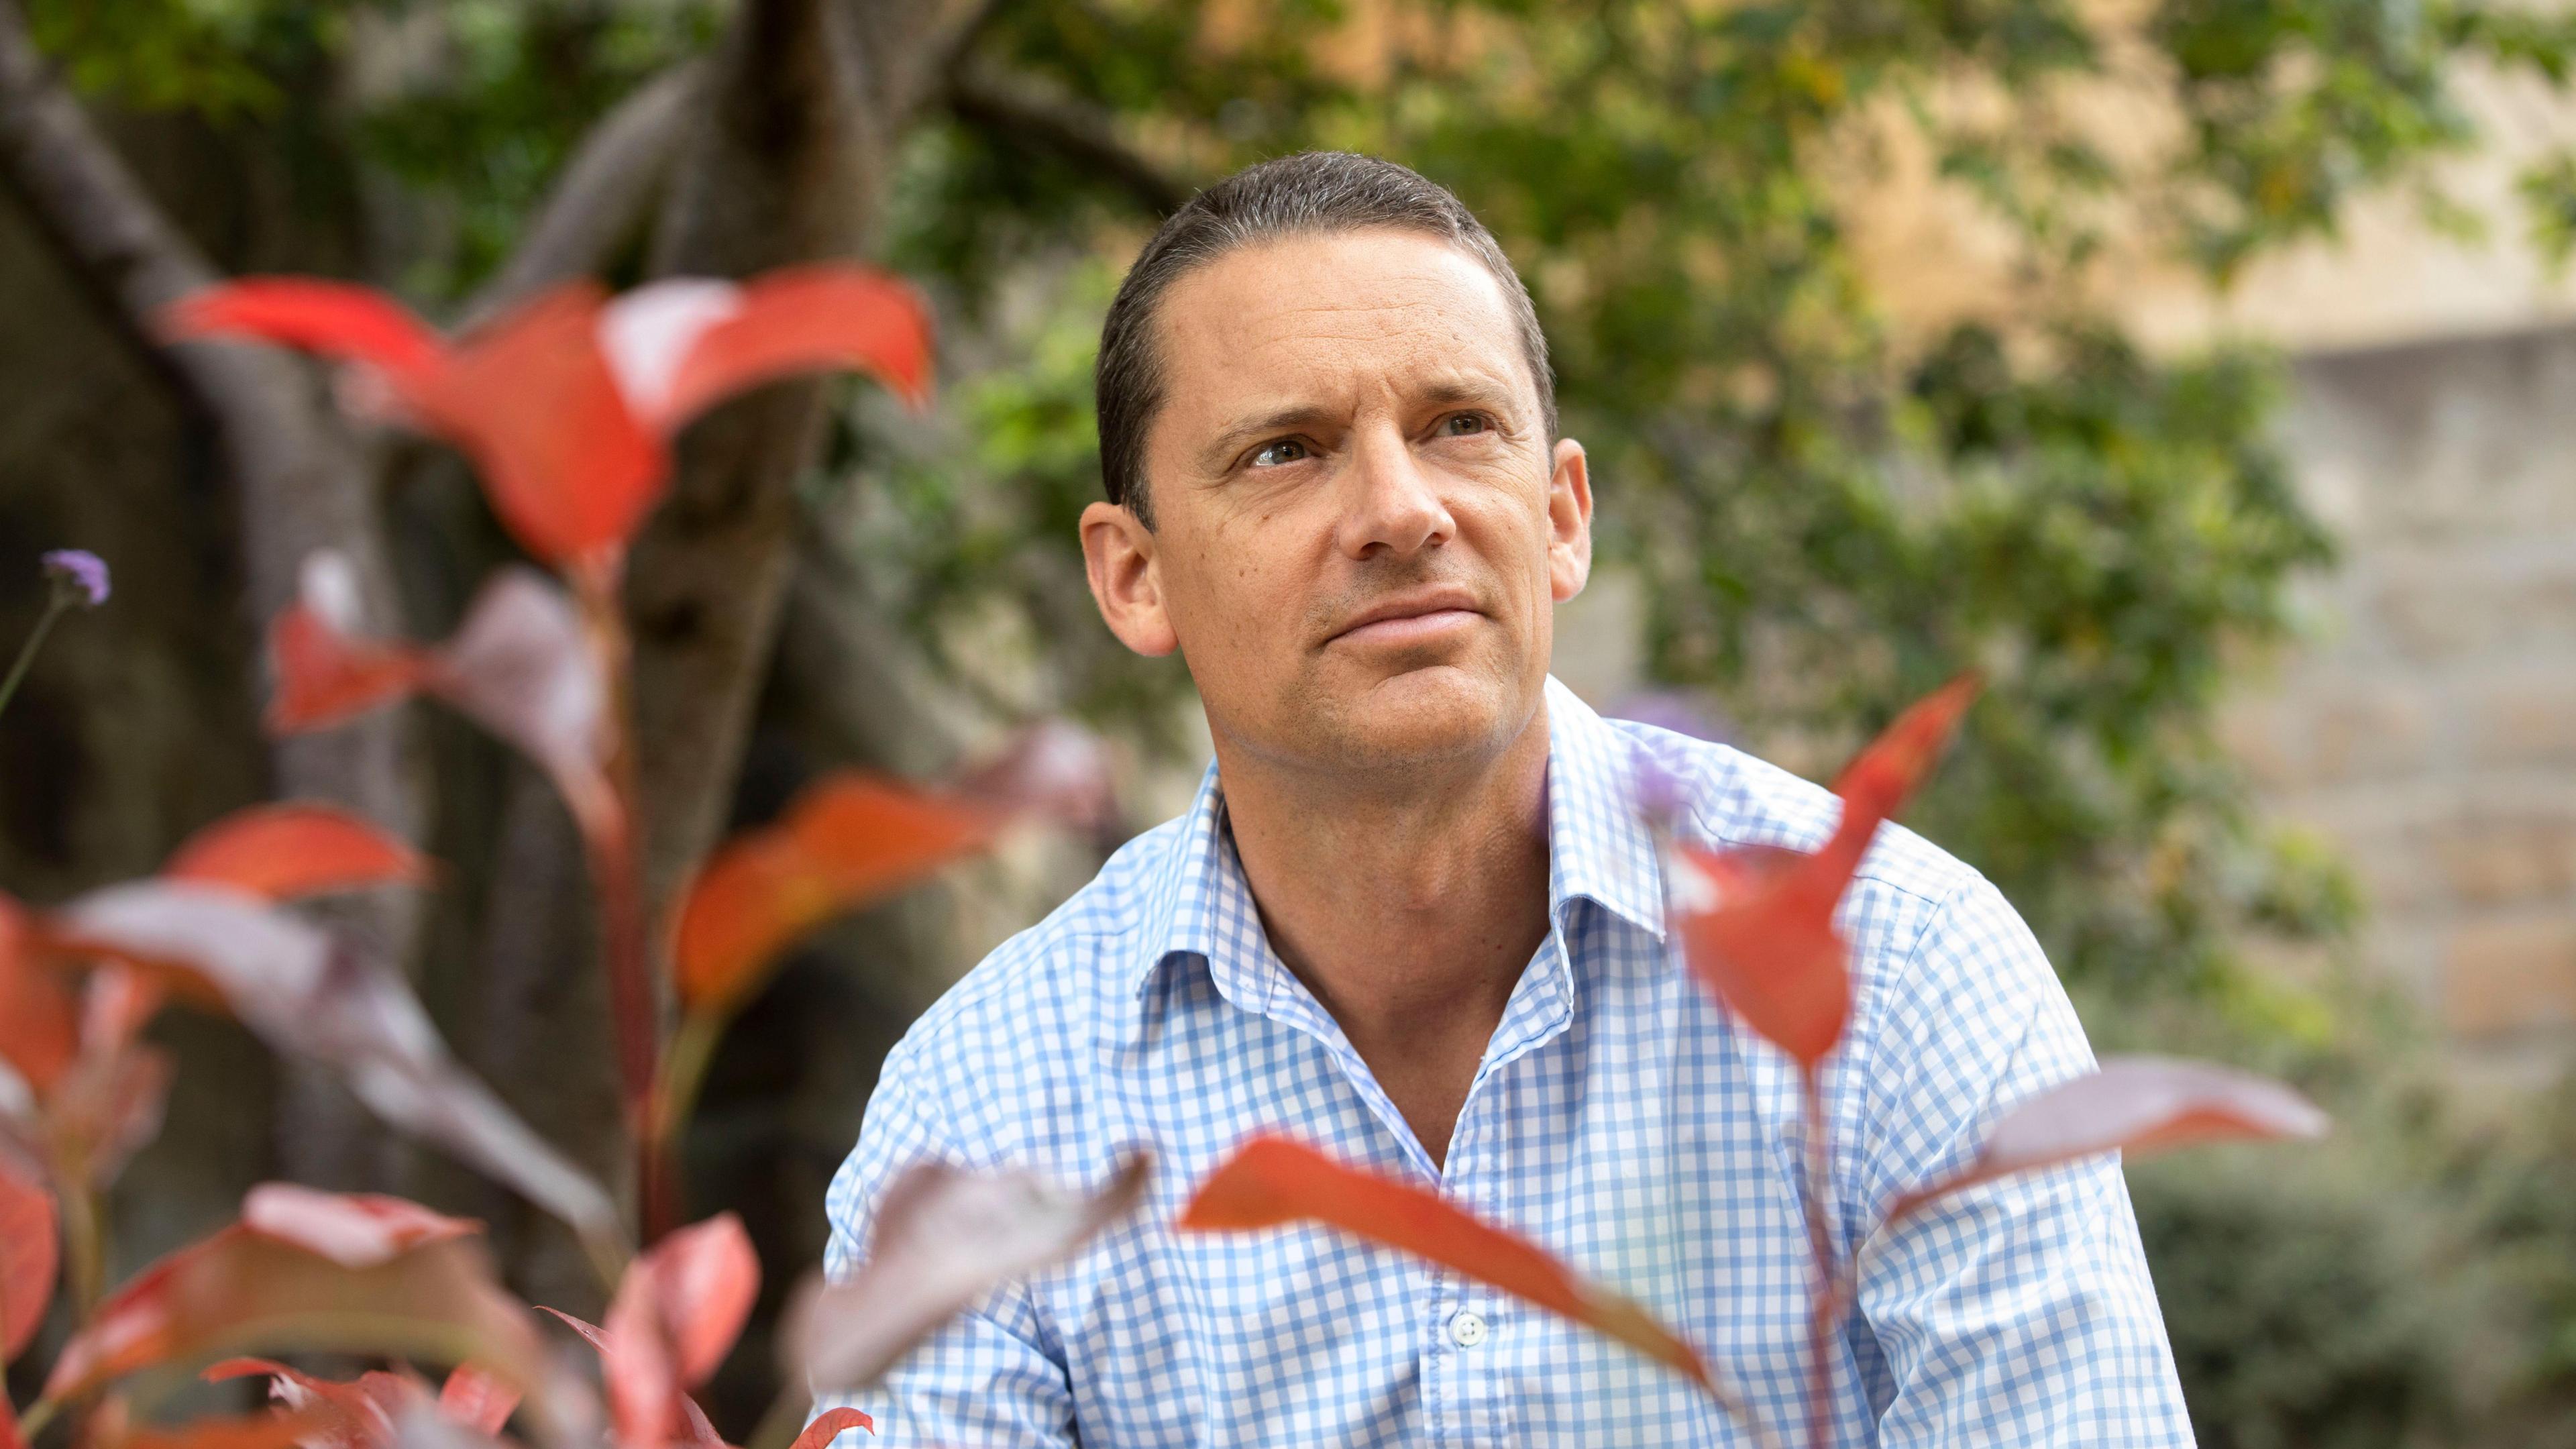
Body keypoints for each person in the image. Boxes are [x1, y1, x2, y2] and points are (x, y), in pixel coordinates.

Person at [821, 150, 2193, 1447]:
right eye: (1286, 452)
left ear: (1561, 516)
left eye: (1458, 426)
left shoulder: (1901, 972)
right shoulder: (985, 1113)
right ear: (1134, 577)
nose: (1402, 508)